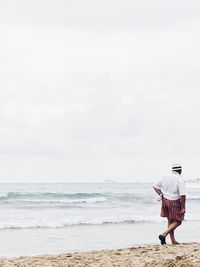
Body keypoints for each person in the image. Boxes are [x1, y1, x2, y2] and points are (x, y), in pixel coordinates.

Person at [153, 163, 186, 245]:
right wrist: (183, 207)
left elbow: (155, 186)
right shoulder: (180, 179)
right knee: (178, 221)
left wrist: (161, 194)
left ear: (173, 170)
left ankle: (173, 240)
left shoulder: (165, 176)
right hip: (174, 201)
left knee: (170, 221)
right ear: (180, 170)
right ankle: (163, 234)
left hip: (165, 201)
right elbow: (183, 195)